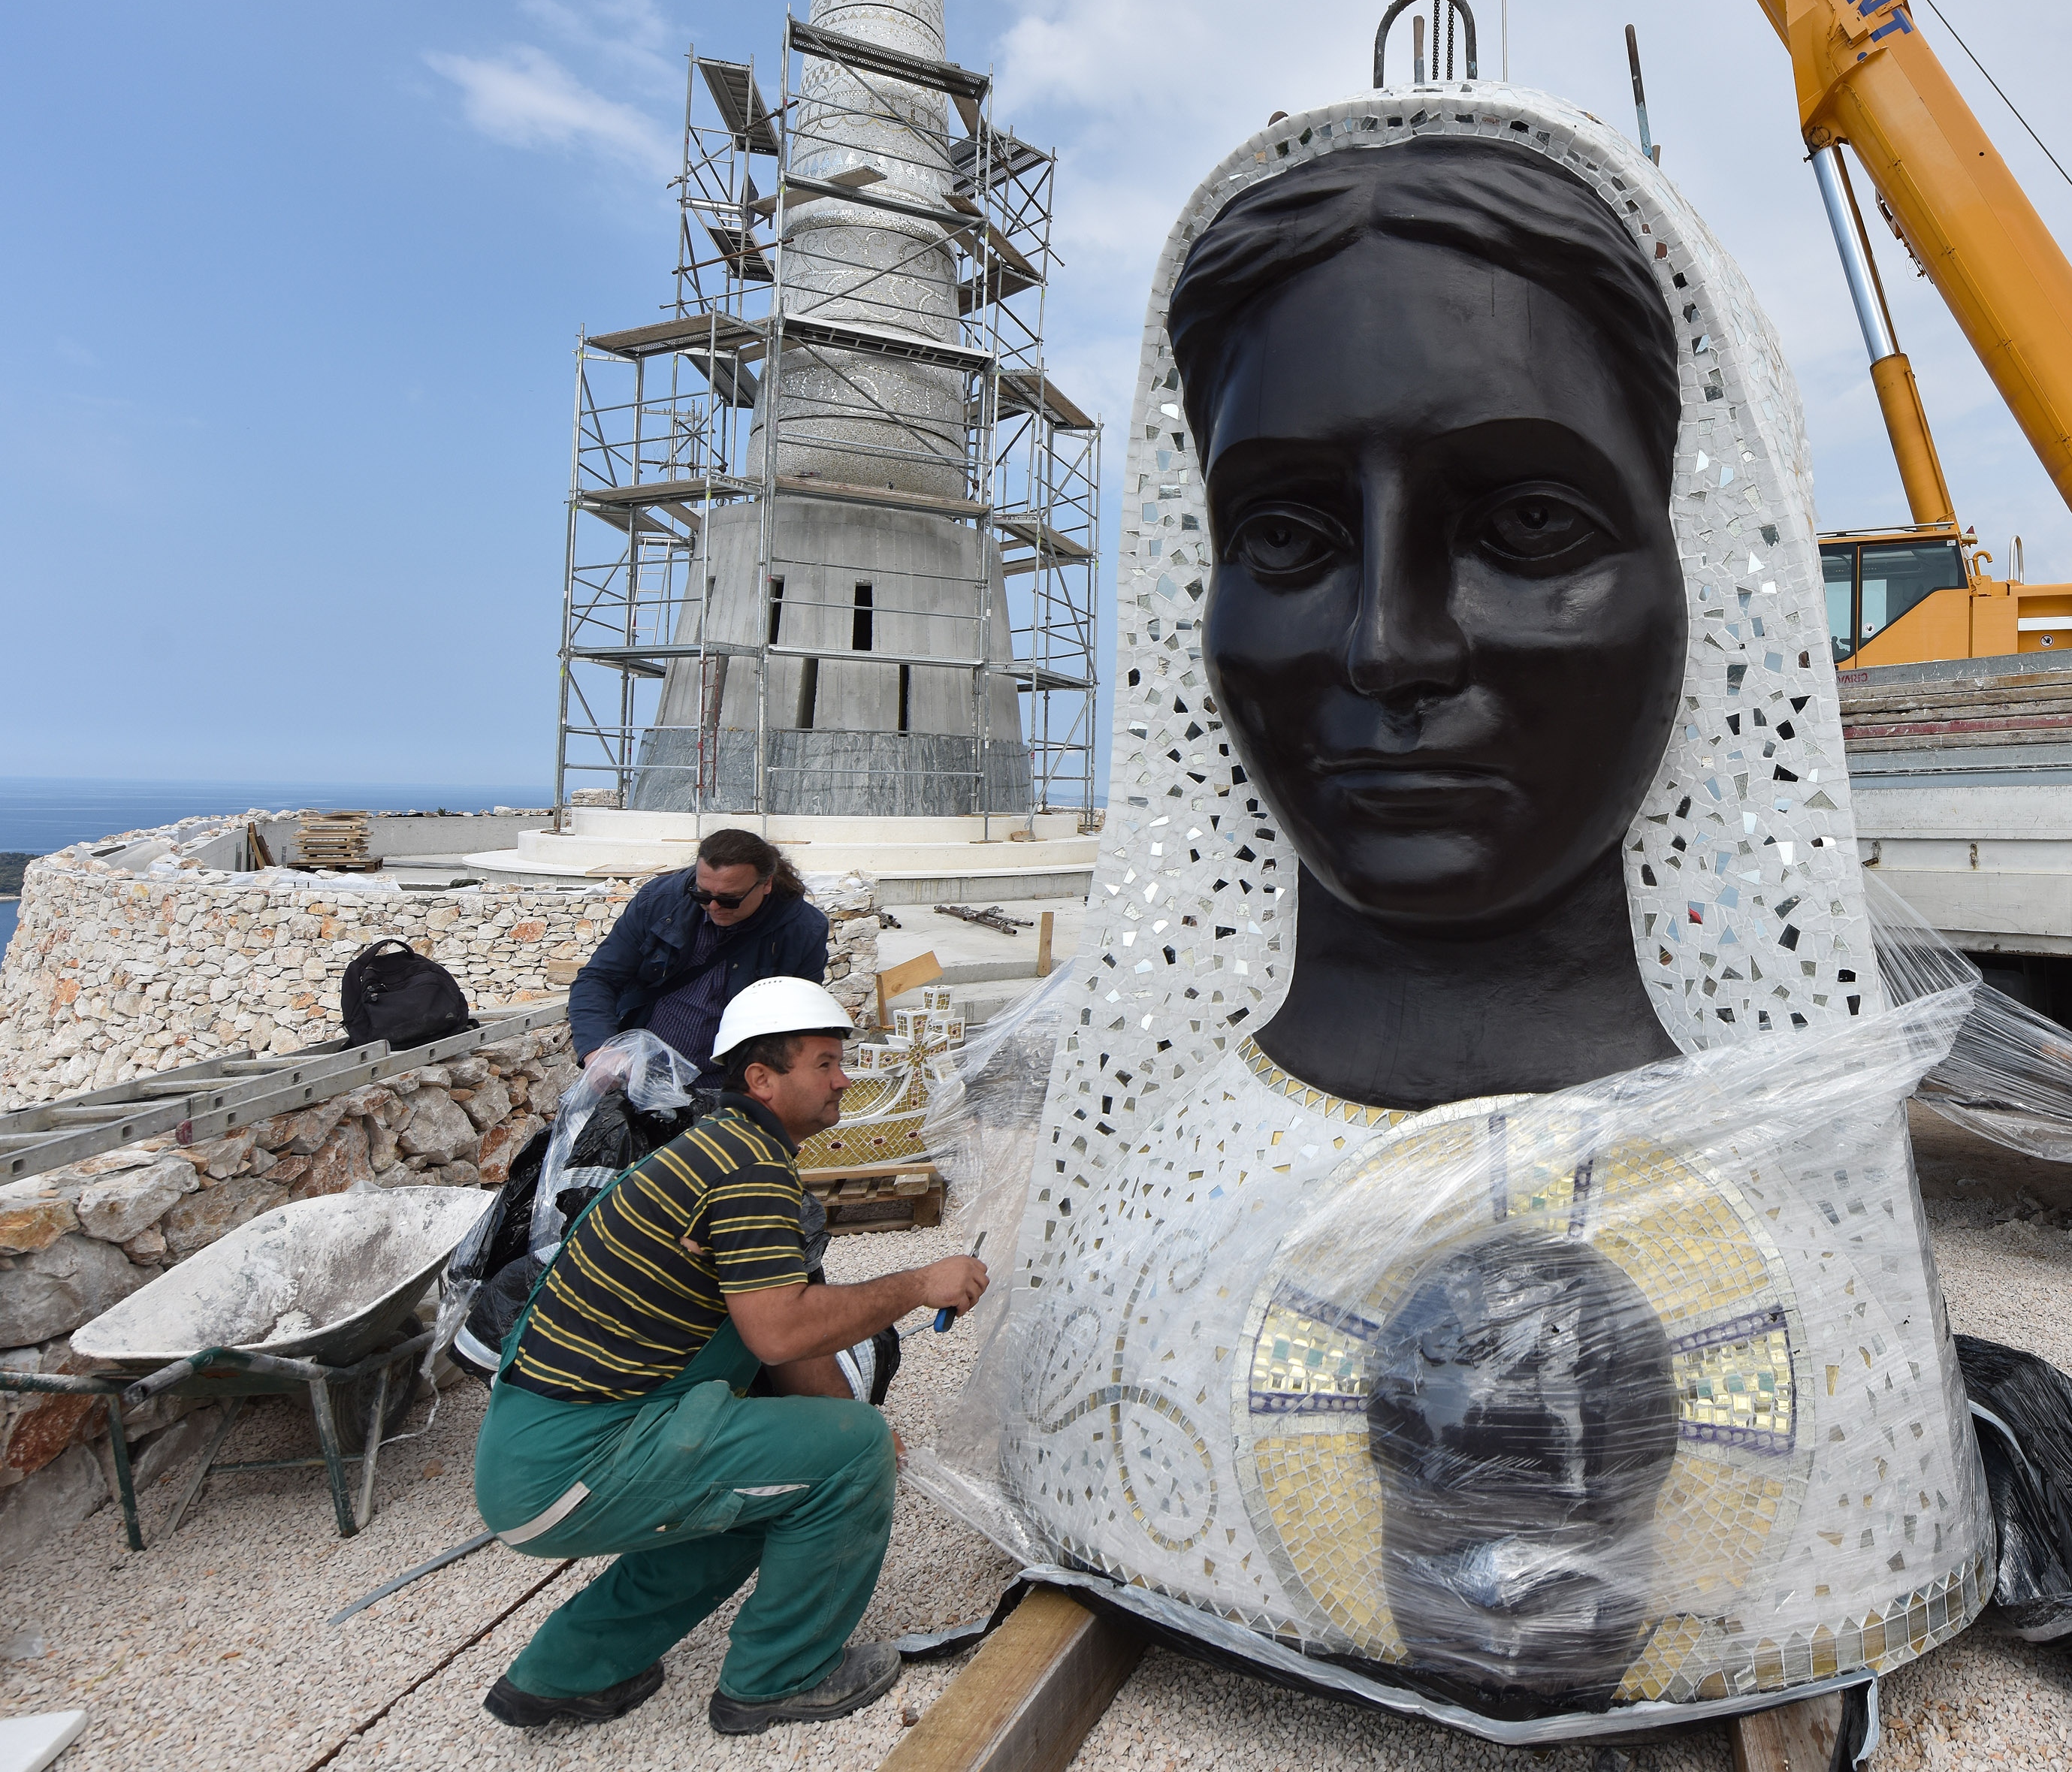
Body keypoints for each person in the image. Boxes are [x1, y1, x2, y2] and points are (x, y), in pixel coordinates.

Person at [947, 101, 1993, 1732]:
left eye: (1524, 527)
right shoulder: (1150, 1180)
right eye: (1284, 535)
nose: (1387, 644)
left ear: (1697, 578)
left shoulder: (1799, 1208)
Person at [470, 977, 989, 1735]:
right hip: (579, 1461)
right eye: (824, 1063)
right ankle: (781, 1678)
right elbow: (782, 1332)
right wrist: (916, 1283)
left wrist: (838, 1438)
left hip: (533, 1457)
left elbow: (783, 1343)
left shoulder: (720, 1151)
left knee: (772, 1494)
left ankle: (562, 1675)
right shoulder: (747, 1170)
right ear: (761, 1079)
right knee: (851, 1453)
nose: (844, 1079)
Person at [568, 829, 831, 1078]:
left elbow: (801, 1020)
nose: (714, 907)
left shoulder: (803, 930)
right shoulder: (660, 901)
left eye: (730, 899)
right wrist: (598, 1049)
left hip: (736, 1084)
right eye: (703, 895)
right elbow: (599, 978)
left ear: (766, 884)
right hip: (642, 1074)